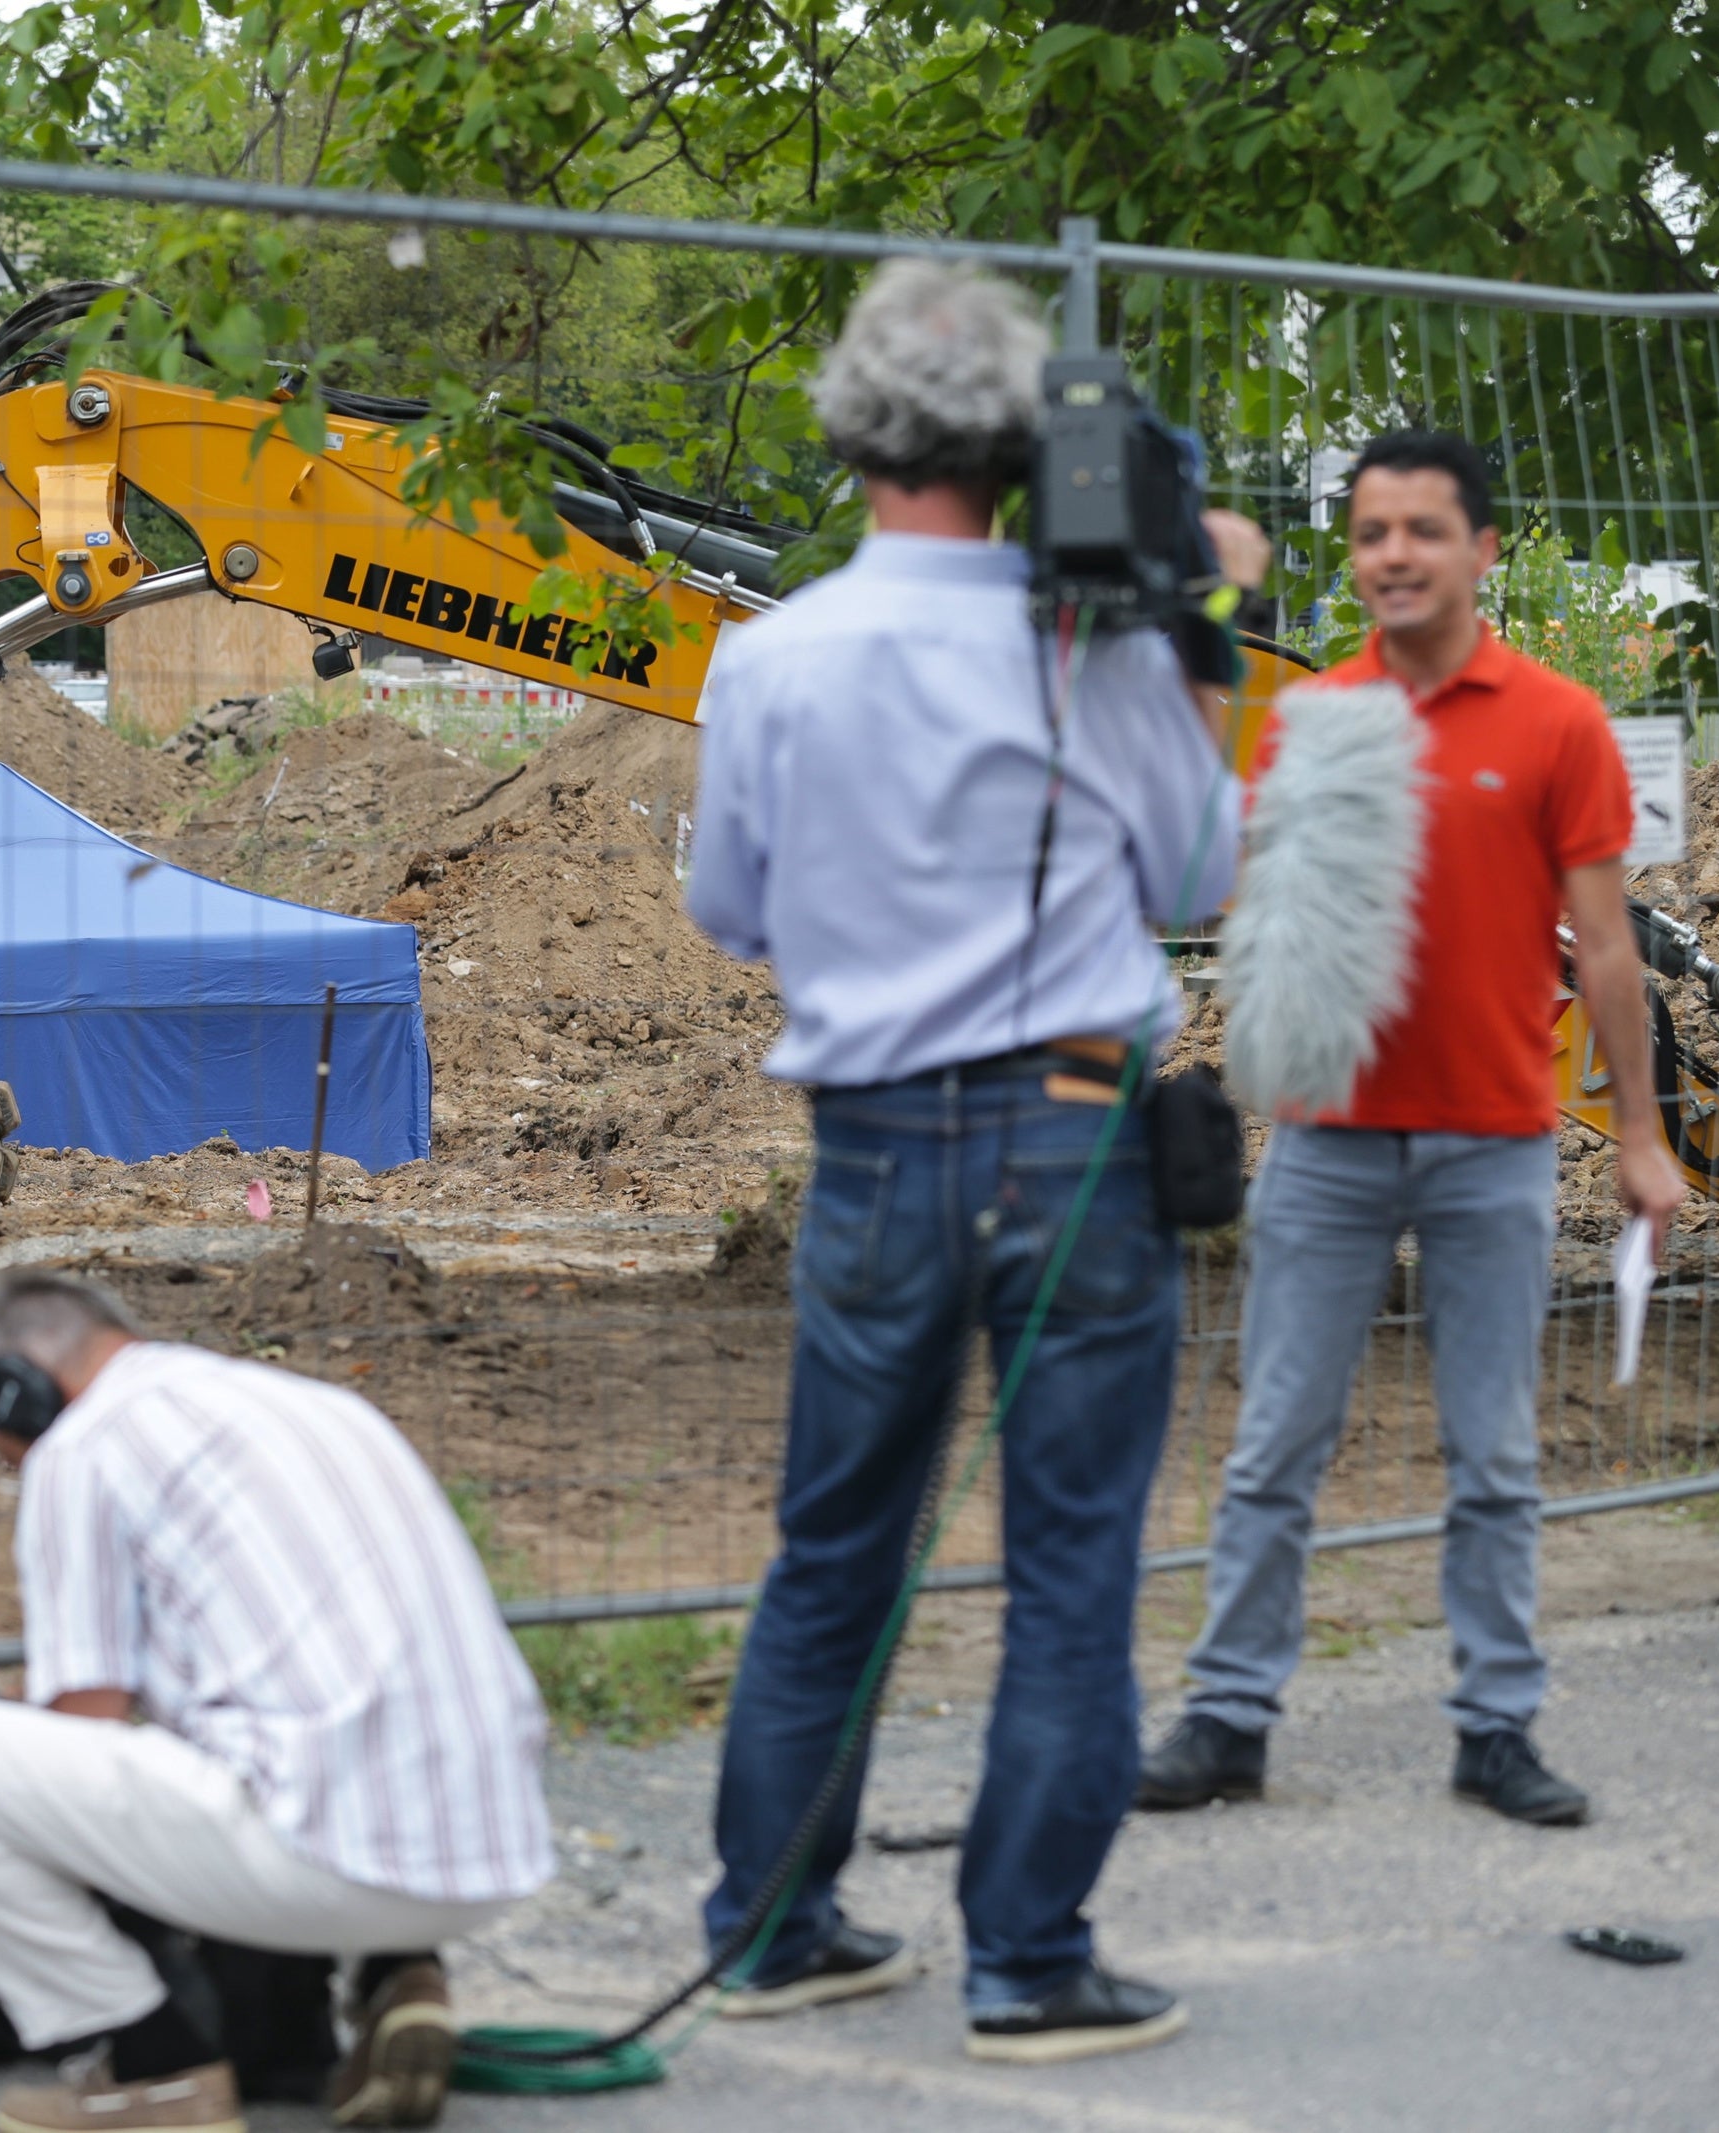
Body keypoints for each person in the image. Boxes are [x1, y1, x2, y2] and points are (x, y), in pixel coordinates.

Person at [683, 258, 1267, 2064]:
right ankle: (1027, 1958)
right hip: (1076, 1137)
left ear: (855, 429)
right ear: (1021, 439)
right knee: (1073, 1561)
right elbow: (1196, 886)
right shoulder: (1097, 645)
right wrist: (1198, 638)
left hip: (866, 1150)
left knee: (829, 1554)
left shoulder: (768, 657)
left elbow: (732, 909)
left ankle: (773, 1928)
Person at [1138, 431, 1683, 1828]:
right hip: (1327, 1142)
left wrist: (1640, 1133)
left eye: (1423, 531)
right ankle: (1228, 1714)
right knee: (1275, 1443)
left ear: (1481, 549)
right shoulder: (1316, 715)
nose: (1393, 555)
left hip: (1495, 1141)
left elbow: (1610, 953)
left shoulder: (1557, 721)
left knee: (1494, 1451)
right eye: (1372, 532)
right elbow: (1225, 883)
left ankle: (1496, 1725)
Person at [0, 1270, 553, 2133]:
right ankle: (394, 1971)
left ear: (14, 1393)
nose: (14, 1467)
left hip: (330, 1865)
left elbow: (86, 1730)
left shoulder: (82, 1447)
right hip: (488, 1852)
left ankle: (154, 2065)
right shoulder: (314, 1407)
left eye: (3, 1450)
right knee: (269, 1731)